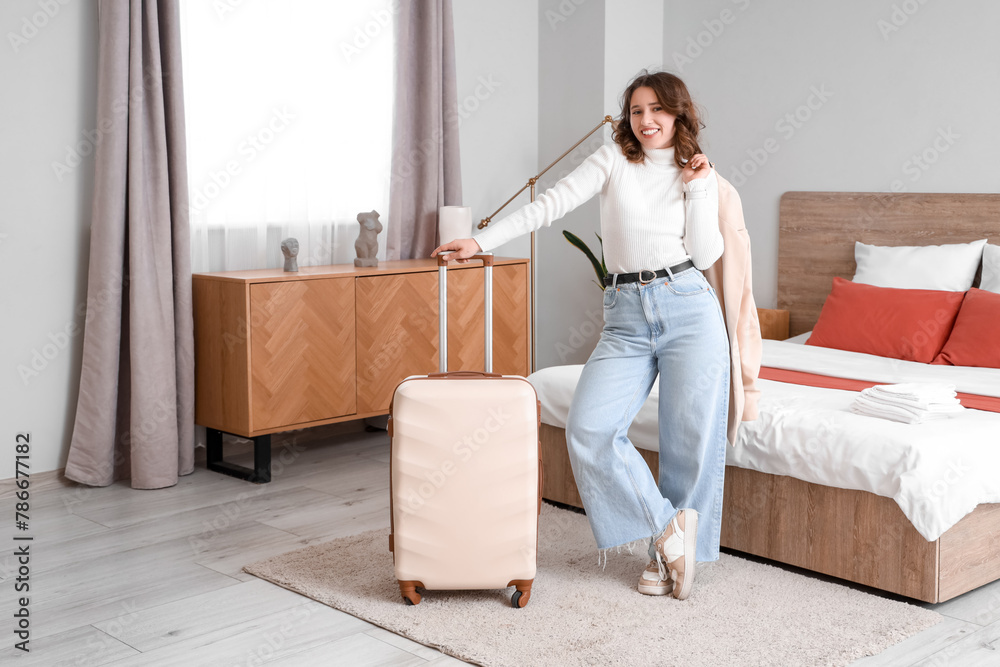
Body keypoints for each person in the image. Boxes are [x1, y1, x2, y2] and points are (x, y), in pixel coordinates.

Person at [432, 70, 745, 600]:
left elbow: (708, 254)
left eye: (657, 110)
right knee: (590, 428)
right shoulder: (613, 161)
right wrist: (481, 240)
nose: (646, 121)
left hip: (688, 305)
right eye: (637, 111)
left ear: (679, 114)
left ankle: (662, 557)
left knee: (688, 441)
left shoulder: (700, 175)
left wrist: (696, 191)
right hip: (625, 313)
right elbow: (548, 204)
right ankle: (668, 532)